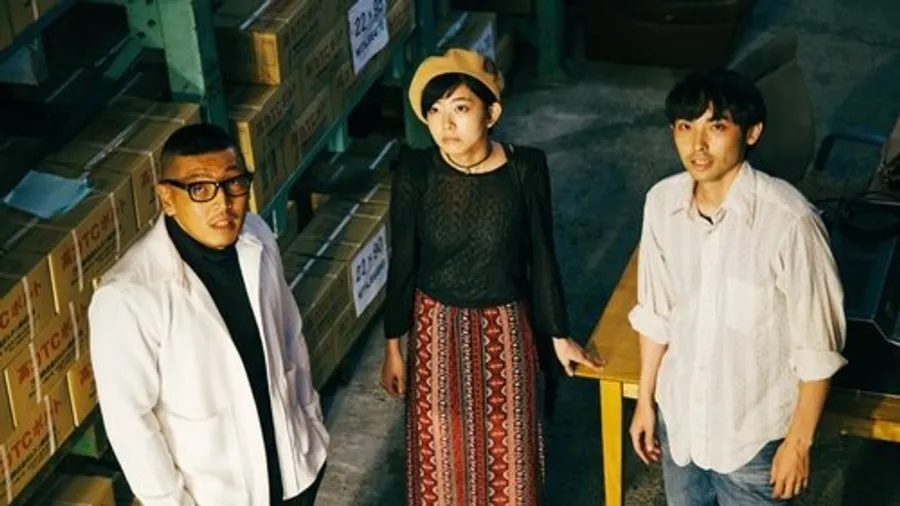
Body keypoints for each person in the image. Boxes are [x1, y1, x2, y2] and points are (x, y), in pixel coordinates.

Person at [380, 47, 603, 506]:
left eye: (461, 109)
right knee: (440, 453)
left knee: (510, 453)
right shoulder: (416, 172)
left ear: (492, 113)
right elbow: (402, 263)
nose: (446, 125)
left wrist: (558, 335)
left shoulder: (525, 169)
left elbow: (541, 254)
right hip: (435, 330)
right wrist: (393, 348)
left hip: (505, 329)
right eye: (435, 111)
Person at [627, 68, 847, 505]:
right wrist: (645, 401)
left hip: (753, 441)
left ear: (752, 133)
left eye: (717, 127)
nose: (697, 145)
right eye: (685, 127)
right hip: (681, 427)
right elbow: (657, 312)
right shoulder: (661, 203)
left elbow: (817, 347)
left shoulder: (790, 221)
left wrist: (798, 444)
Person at [89, 123, 329, 506]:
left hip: (292, 473)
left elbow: (290, 336)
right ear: (167, 198)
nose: (223, 204)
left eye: (234, 183)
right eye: (200, 189)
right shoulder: (128, 296)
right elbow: (130, 423)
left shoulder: (256, 236)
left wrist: (310, 421)